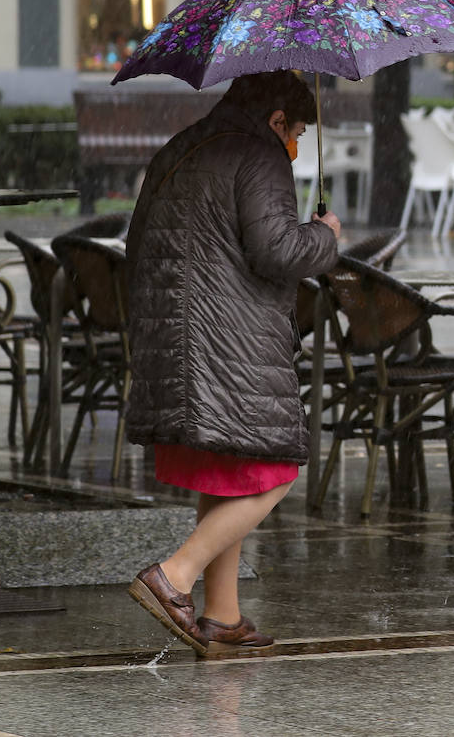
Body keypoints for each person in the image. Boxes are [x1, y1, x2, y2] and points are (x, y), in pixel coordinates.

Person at [124, 69, 341, 656]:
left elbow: (140, 239)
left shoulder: (183, 146)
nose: (295, 144)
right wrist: (323, 235)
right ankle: (174, 576)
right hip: (230, 340)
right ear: (275, 119)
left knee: (229, 470)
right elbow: (276, 252)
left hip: (174, 338)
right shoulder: (259, 154)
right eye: (295, 130)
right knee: (276, 468)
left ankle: (223, 614)